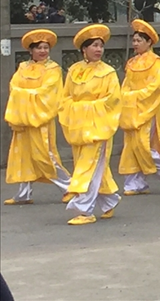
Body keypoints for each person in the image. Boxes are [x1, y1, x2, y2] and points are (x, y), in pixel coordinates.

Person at [59, 24, 122, 225]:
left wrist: (86, 107)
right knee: (92, 166)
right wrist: (76, 109)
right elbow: (65, 97)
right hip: (78, 125)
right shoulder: (74, 70)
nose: (98, 50)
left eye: (100, 46)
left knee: (88, 166)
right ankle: (109, 200)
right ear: (84, 49)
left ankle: (84, 209)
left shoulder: (108, 72)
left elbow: (112, 100)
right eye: (94, 45)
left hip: (98, 125)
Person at [4, 29, 71, 204]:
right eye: (39, 48)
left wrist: (23, 94)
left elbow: (48, 93)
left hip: (40, 119)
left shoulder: (53, 69)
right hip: (23, 120)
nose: (43, 51)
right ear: (31, 50)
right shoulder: (23, 67)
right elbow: (13, 86)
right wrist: (25, 94)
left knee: (45, 156)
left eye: (45, 48)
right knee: (23, 155)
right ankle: (23, 194)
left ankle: (70, 187)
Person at [118, 19, 160, 195]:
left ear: (149, 42)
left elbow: (157, 86)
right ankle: (134, 183)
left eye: (139, 40)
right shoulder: (131, 63)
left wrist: (136, 96)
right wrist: (126, 97)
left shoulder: (157, 62)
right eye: (134, 40)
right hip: (131, 109)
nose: (135, 44)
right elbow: (126, 84)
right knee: (130, 145)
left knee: (144, 144)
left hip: (148, 109)